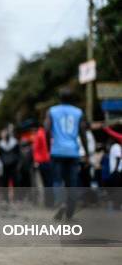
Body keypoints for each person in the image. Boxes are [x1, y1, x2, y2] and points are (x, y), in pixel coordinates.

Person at [45, 88, 89, 220]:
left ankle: (61, 203)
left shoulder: (52, 111)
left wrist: (49, 146)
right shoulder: (78, 112)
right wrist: (86, 152)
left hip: (57, 151)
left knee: (57, 180)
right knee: (72, 183)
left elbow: (46, 130)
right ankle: (69, 213)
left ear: (60, 98)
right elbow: (83, 133)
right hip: (73, 152)